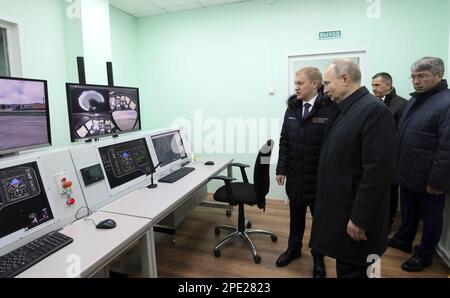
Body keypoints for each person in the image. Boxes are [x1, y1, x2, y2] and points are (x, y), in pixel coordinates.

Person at [309, 59, 396, 278]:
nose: (324, 89)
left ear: (345, 79)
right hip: (342, 211)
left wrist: (360, 219)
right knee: (346, 267)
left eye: (327, 83)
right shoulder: (345, 109)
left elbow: (377, 174)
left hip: (358, 220)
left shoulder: (374, 111)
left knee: (358, 270)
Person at [389, 57, 450, 272]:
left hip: (429, 177)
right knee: (408, 211)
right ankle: (404, 239)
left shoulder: (446, 102)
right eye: (413, 77)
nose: (416, 81)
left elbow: (447, 148)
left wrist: (437, 181)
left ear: (439, 75)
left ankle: (424, 255)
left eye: (421, 76)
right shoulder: (415, 100)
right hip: (407, 170)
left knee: (431, 219)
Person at [276, 67, 331, 278]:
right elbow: (284, 140)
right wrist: (281, 168)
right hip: (296, 176)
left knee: (320, 221)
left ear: (315, 84)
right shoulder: (292, 108)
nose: (296, 87)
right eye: (295, 83)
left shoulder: (329, 107)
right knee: (296, 217)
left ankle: (318, 258)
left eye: (300, 83)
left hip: (319, 179)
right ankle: (294, 249)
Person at [371, 72, 408, 228]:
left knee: (390, 191)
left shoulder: (402, 104)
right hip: (373, 155)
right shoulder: (372, 102)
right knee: (374, 189)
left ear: (388, 85)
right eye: (372, 85)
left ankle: (387, 222)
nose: (374, 88)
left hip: (391, 157)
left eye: (377, 85)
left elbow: (401, 133)